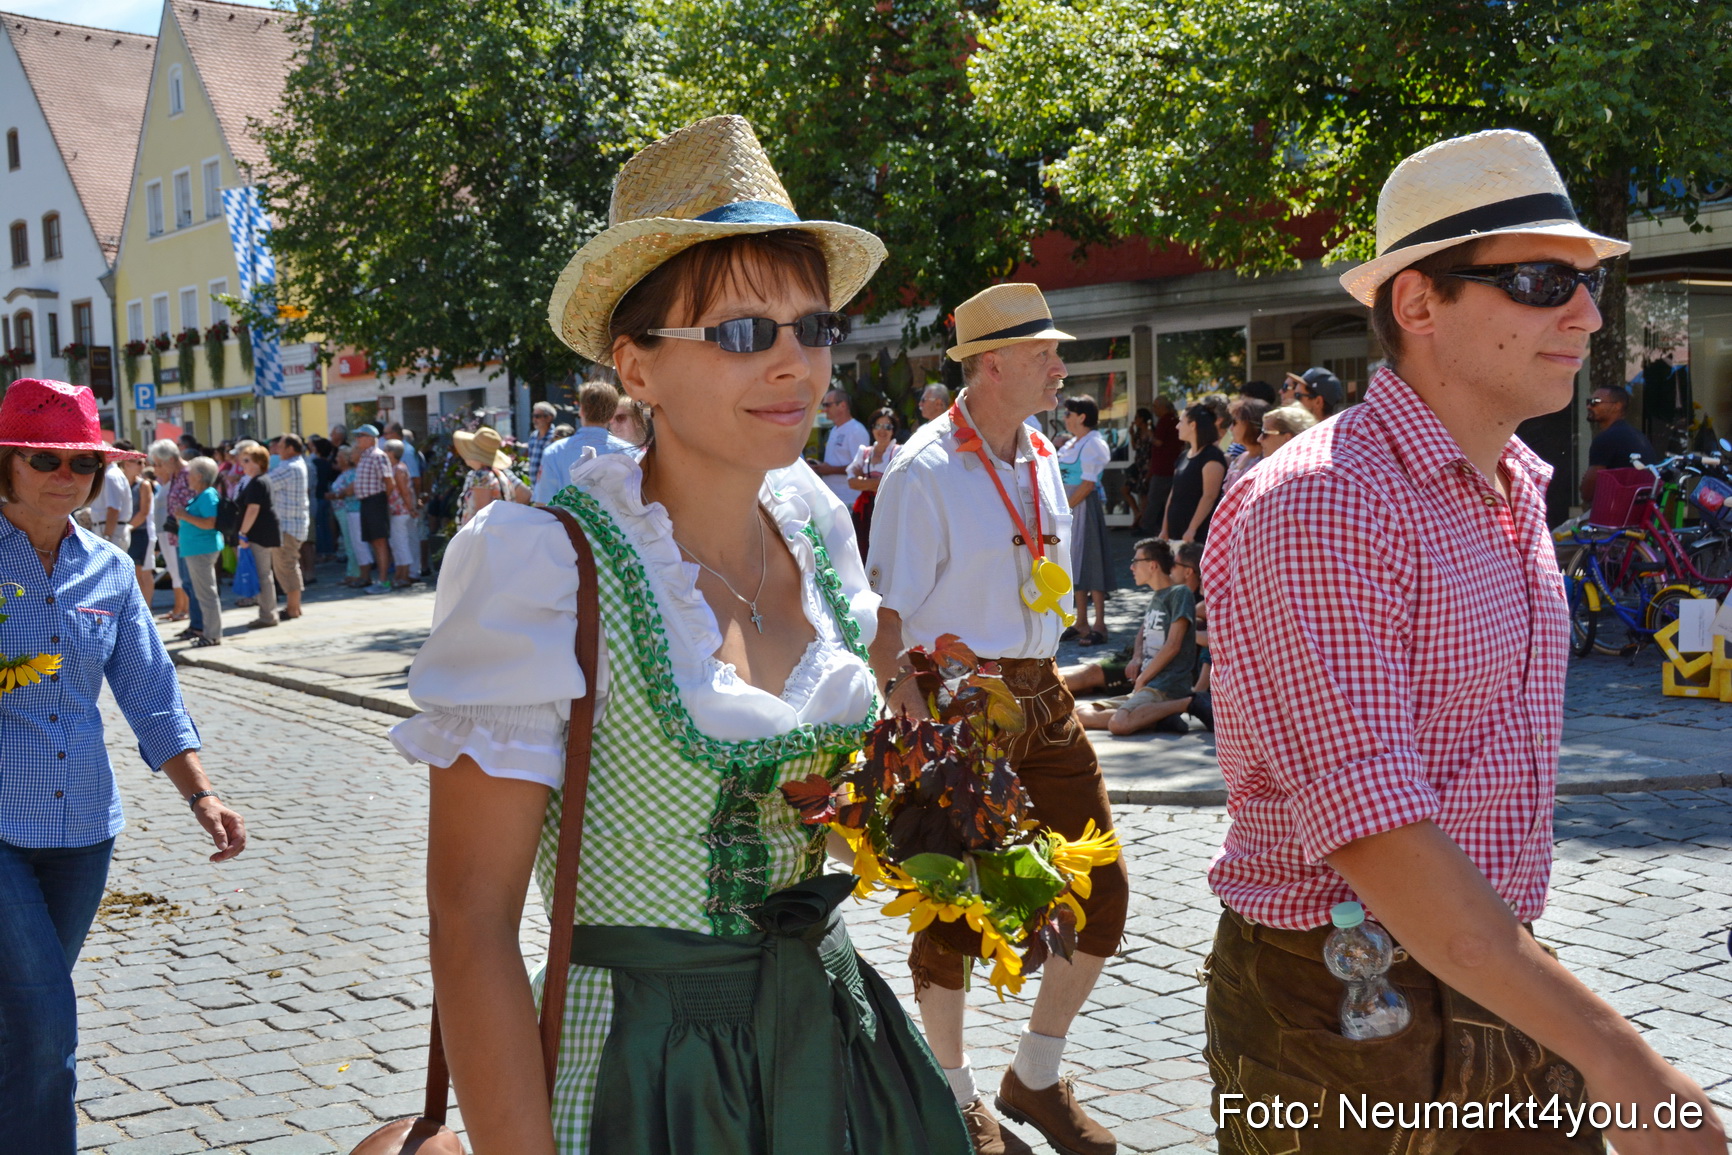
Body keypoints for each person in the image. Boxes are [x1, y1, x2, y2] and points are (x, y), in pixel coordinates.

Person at [390, 114, 966, 1155]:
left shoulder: (820, 528)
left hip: (834, 1045)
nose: (795, 363)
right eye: (746, 332)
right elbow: (470, 926)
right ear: (638, 369)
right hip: (643, 1075)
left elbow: (846, 810)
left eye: (814, 326)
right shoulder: (542, 566)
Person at [1203, 129, 1725, 1155]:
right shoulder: (1323, 502)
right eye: (1538, 280)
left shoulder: (1513, 489)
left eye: (1585, 280)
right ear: (1415, 302)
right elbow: (1377, 832)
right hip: (1337, 1011)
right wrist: (1622, 1059)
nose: (1584, 310)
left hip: (1493, 970)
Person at [867, 281, 1128, 1155]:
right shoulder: (926, 465)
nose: (1063, 366)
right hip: (956, 697)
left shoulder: (1044, 453)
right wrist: (914, 720)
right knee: (953, 911)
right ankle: (954, 1098)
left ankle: (1037, 1076)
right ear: (990, 364)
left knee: (1103, 892)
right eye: (1045, 352)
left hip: (1040, 690)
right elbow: (885, 615)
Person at [0, 380, 246, 1153]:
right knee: (44, 1015)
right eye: (47, 458)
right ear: (7, 464)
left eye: (84, 462)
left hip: (81, 830)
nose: (67, 476)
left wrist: (202, 794)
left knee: (23, 1011)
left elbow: (149, 690)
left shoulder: (107, 568)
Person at [1076, 538, 1195, 736]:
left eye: (1135, 561)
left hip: (1167, 686)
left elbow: (1173, 645)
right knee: (1081, 713)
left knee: (1119, 724)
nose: (1131, 567)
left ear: (1153, 565)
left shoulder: (1179, 593)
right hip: (1148, 686)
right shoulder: (1157, 596)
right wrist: (1137, 657)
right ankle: (1158, 719)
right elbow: (1143, 631)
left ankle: (1187, 703)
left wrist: (1143, 678)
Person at [1057, 395, 1113, 647]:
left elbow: (1088, 483)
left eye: (1068, 414)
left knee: (1092, 561)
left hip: (1082, 507)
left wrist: (1065, 507)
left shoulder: (1092, 443)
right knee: (1074, 563)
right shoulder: (1072, 443)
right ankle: (1081, 622)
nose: (1065, 418)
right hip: (1071, 508)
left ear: (1082, 417)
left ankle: (1100, 624)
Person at [532, 380, 634, 504]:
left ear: (581, 411)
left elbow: (543, 503)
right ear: (612, 416)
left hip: (565, 523)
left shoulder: (553, 452)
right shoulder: (631, 453)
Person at [175, 457, 225, 647]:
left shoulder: (207, 495)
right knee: (203, 593)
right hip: (196, 549)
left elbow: (210, 523)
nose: (187, 476)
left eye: (190, 473)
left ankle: (212, 635)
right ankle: (209, 632)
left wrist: (184, 515)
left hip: (202, 549)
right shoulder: (201, 494)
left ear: (199, 476)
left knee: (206, 594)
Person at [1162, 403, 1226, 543]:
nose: (1177, 426)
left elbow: (1209, 497)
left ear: (1193, 425)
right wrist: (1164, 529)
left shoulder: (1212, 456)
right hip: (1176, 532)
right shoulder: (1183, 455)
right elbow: (1173, 493)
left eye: (1181, 422)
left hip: (1196, 536)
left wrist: (1192, 529)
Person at [233, 444, 281, 629]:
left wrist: (243, 533)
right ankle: (267, 613)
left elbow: (253, 509)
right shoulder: (258, 480)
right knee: (263, 574)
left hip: (259, 534)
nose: (242, 464)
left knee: (262, 575)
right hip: (261, 532)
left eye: (247, 461)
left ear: (258, 463)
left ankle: (268, 615)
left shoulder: (258, 481)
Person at [1580, 384, 1655, 502]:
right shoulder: (1638, 436)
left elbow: (1587, 494)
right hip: (1639, 513)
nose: (1589, 406)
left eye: (1595, 402)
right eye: (1588, 401)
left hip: (1614, 515)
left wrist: (1585, 482)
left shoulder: (1607, 438)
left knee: (1570, 522)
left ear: (1617, 406)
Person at [264, 433, 309, 619]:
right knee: (287, 565)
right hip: (291, 524)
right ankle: (293, 606)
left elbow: (265, 483)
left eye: (280, 447)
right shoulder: (294, 464)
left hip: (288, 526)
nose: (276, 450)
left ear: (291, 449)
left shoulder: (290, 467)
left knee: (287, 566)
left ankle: (293, 607)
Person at [845, 407, 900, 559]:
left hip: (887, 508)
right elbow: (851, 482)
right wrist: (878, 482)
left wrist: (864, 482)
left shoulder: (897, 452)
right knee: (863, 548)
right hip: (865, 509)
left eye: (887, 426)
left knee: (886, 549)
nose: (882, 431)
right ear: (872, 428)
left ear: (893, 430)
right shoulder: (865, 452)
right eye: (878, 426)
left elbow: (894, 483)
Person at [452, 425, 531, 531]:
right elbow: (525, 494)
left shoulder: (481, 476)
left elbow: (481, 516)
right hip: (498, 536)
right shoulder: (498, 473)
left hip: (482, 541)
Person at [147, 441, 189, 623]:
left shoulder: (186, 474)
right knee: (174, 571)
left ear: (170, 459)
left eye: (159, 463)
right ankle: (179, 607)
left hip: (181, 532)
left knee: (180, 573)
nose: (156, 468)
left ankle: (183, 609)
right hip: (168, 531)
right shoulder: (172, 477)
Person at [350, 425, 396, 594]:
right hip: (367, 502)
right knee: (374, 542)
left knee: (380, 541)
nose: (357, 439)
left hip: (376, 501)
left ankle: (384, 581)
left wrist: (383, 501)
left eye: (361, 436)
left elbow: (389, 482)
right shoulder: (365, 456)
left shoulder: (378, 456)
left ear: (371, 438)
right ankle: (380, 579)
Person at [811, 387, 868, 507]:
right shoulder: (834, 430)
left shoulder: (856, 430)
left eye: (827, 405)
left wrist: (830, 470)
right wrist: (820, 467)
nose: (824, 409)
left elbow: (860, 467)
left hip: (849, 500)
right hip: (833, 498)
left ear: (842, 405)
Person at [1137, 394, 1180, 534]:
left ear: (1162, 407)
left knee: (1154, 500)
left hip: (1163, 469)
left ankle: (1147, 527)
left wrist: (1150, 435)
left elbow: (1158, 442)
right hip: (1172, 466)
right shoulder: (1174, 421)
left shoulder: (1165, 421)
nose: (1154, 410)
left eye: (1155, 406)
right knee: (1167, 501)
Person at [383, 437, 422, 586]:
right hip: (398, 511)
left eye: (386, 450)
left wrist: (410, 508)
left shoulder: (398, 469)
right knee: (397, 543)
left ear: (391, 453)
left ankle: (404, 576)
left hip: (401, 511)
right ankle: (400, 574)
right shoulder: (397, 467)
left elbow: (404, 491)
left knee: (401, 544)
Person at [328, 444, 368, 587]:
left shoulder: (353, 473)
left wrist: (335, 495)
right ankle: (352, 572)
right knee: (349, 543)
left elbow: (350, 492)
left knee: (352, 543)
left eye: (339, 456)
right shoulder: (345, 473)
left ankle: (355, 573)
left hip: (349, 510)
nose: (336, 459)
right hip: (343, 511)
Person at [119, 453, 155, 605]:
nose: (143, 466)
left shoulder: (144, 485)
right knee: (130, 572)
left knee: (141, 572)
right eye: (139, 463)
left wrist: (128, 527)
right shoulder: (121, 483)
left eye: (143, 462)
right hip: (125, 532)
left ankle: (145, 607)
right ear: (127, 464)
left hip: (140, 532)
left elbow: (144, 511)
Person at [1220, 397, 1269, 493]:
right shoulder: (1240, 457)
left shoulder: (1265, 461)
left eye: (1235, 422)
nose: (1230, 428)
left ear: (1251, 424)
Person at [85, 451, 131, 550]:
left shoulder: (110, 476)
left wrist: (107, 536)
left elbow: (114, 509)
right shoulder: (110, 474)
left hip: (110, 530)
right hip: (108, 528)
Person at [524, 400, 559, 486]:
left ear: (549, 418)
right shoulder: (533, 436)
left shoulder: (555, 437)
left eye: (537, 416)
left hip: (550, 485)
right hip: (534, 486)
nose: (534, 419)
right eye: (533, 416)